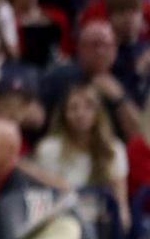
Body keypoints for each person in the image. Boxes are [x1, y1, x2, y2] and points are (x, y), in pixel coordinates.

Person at [32, 84, 128, 223]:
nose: (81, 114)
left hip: (100, 220)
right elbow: (42, 195)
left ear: (98, 113)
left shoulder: (114, 148)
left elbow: (120, 197)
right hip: (60, 219)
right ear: (64, 114)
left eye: (88, 107)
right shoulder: (49, 149)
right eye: (73, 108)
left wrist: (122, 214)